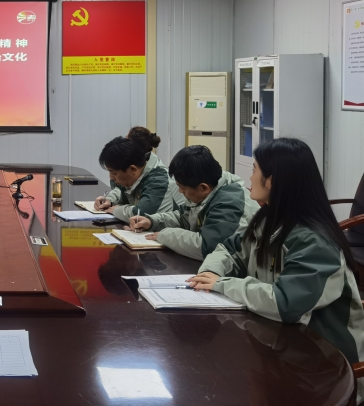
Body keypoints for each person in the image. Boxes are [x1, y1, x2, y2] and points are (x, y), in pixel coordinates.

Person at [188, 137, 364, 401]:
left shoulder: (314, 242)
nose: (250, 177)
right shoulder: (269, 219)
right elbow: (230, 248)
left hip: (324, 369)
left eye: (254, 169)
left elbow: (285, 303)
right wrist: (210, 273)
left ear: (271, 181)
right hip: (280, 349)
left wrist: (222, 284)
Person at [129, 145, 259, 260]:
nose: (180, 191)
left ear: (203, 188)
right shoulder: (209, 185)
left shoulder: (229, 202)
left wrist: (165, 235)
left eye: (183, 188)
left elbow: (208, 247)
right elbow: (184, 217)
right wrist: (152, 221)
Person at [96, 127, 185, 221]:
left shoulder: (158, 180)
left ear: (133, 169)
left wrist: (116, 210)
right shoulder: (138, 170)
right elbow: (123, 190)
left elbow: (141, 214)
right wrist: (110, 200)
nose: (111, 177)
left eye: (114, 173)